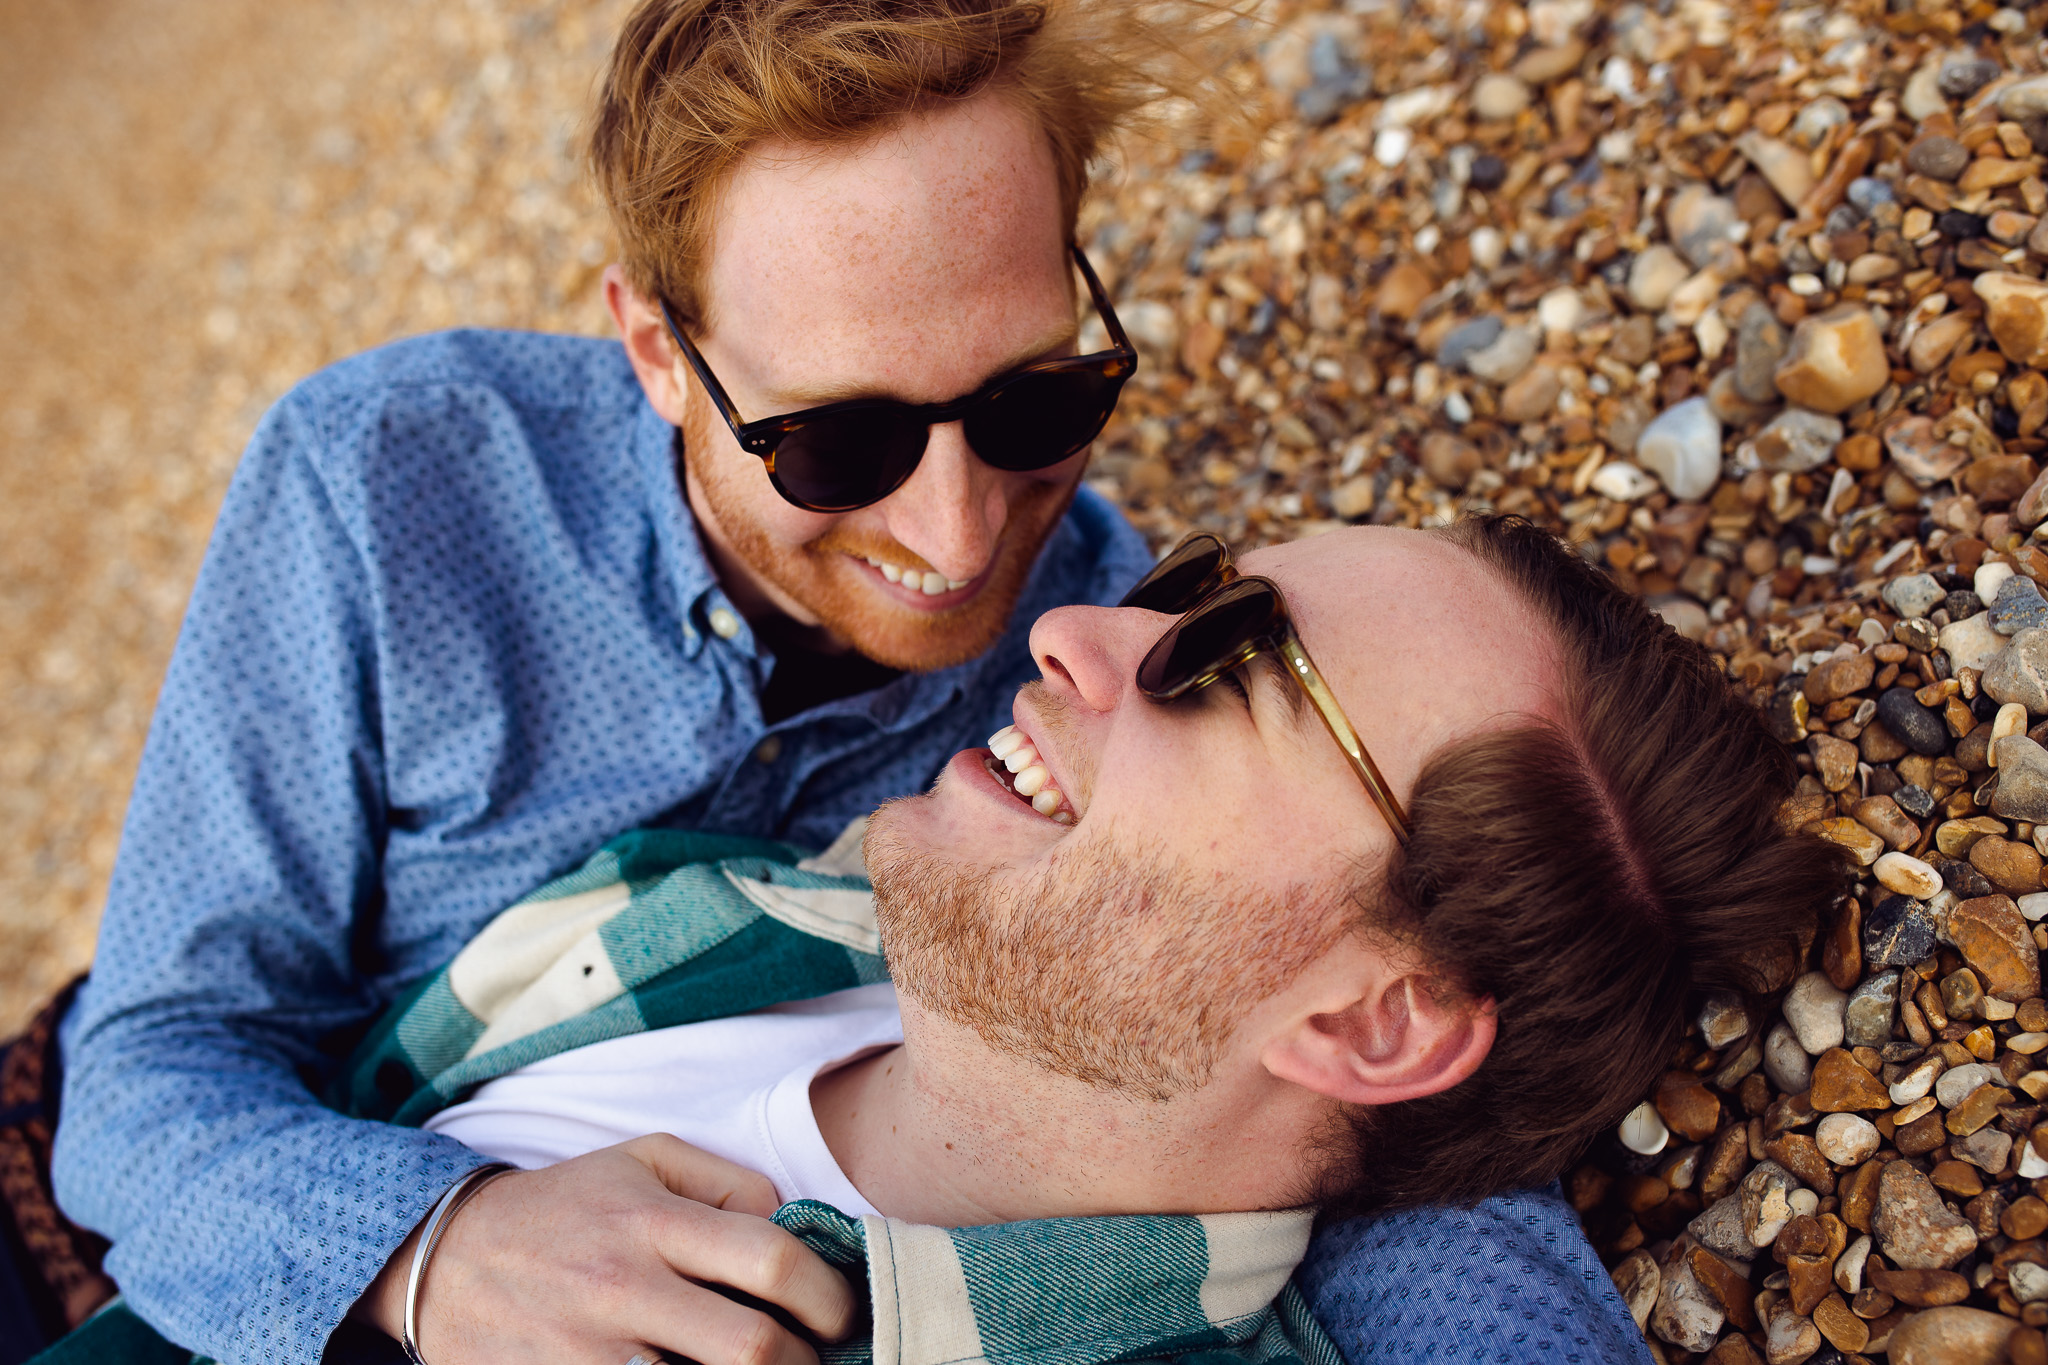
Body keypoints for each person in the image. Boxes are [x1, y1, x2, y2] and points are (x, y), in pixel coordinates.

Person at [39, 0, 1170, 1360]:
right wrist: (434, 1245)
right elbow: (152, 1063)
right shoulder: (384, 486)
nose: (963, 533)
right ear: (655, 353)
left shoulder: (1091, 637)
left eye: (1033, 398)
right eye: (834, 443)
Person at [46, 517, 1845, 1365]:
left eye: (1232, 672)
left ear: (1375, 1027)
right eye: (1187, 587)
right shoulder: (782, 895)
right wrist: (411, 1249)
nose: (1072, 622)